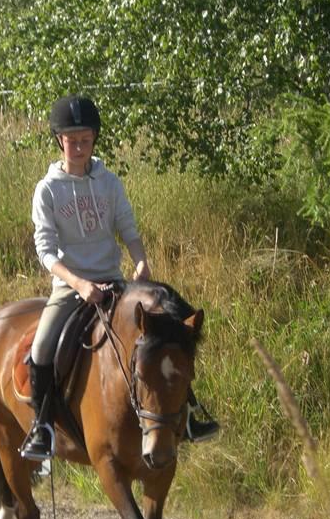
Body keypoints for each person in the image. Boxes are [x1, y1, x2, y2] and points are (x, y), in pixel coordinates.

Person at [20, 94, 219, 461]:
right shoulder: (47, 189)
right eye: (71, 139)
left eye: (86, 139)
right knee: (41, 347)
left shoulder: (109, 182)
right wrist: (78, 283)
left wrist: (140, 260)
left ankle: (189, 413)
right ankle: (42, 426)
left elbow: (126, 225)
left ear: (94, 140)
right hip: (71, 286)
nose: (79, 146)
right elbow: (45, 250)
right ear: (59, 140)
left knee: (169, 328)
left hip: (113, 281)